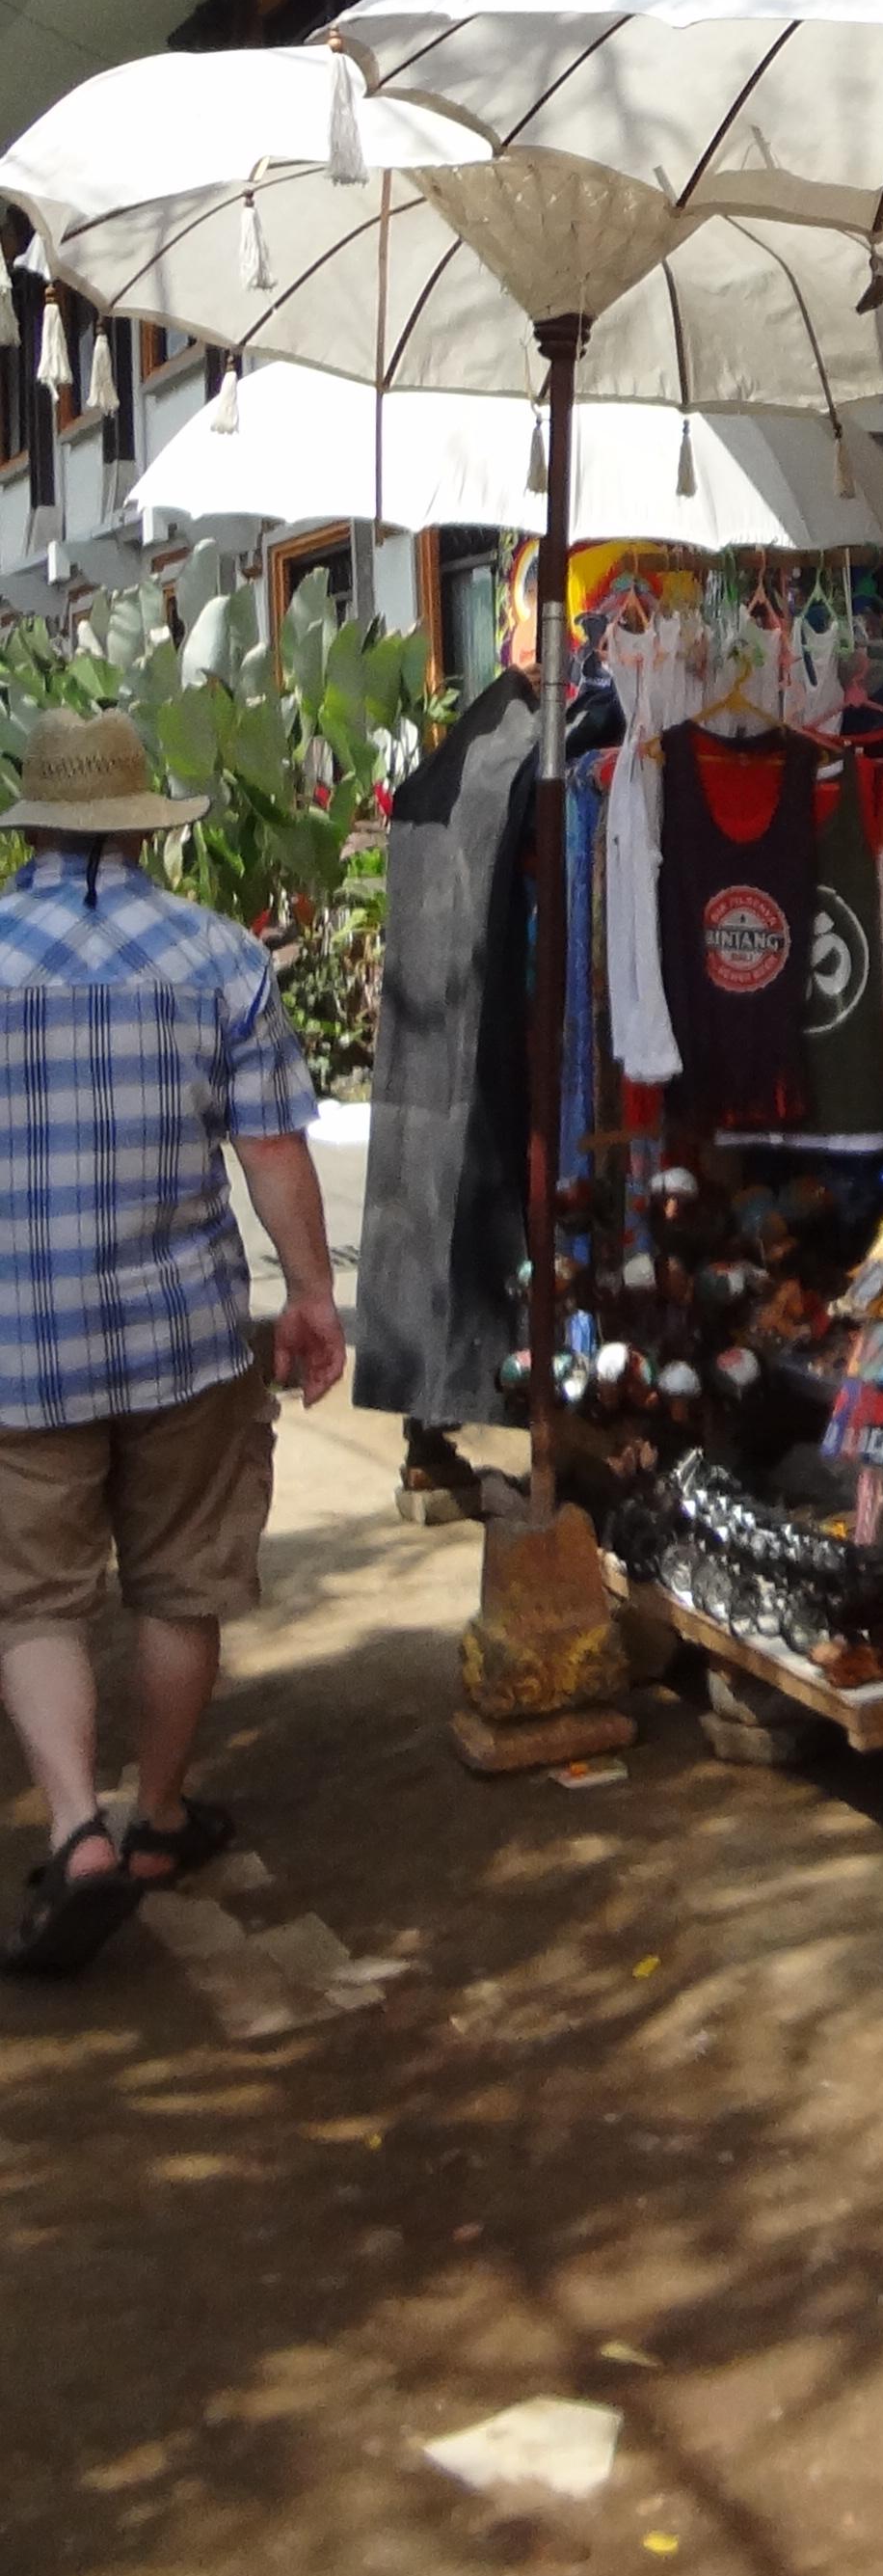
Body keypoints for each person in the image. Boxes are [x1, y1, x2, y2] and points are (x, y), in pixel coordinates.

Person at [0, 713, 347, 1978]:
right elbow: (273, 1155)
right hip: (184, 1341)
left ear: (31, 822)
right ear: (143, 826)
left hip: (13, 1348)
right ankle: (156, 1820)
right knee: (180, 1581)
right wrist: (310, 1294)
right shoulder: (217, 958)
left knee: (32, 1598)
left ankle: (76, 1830)